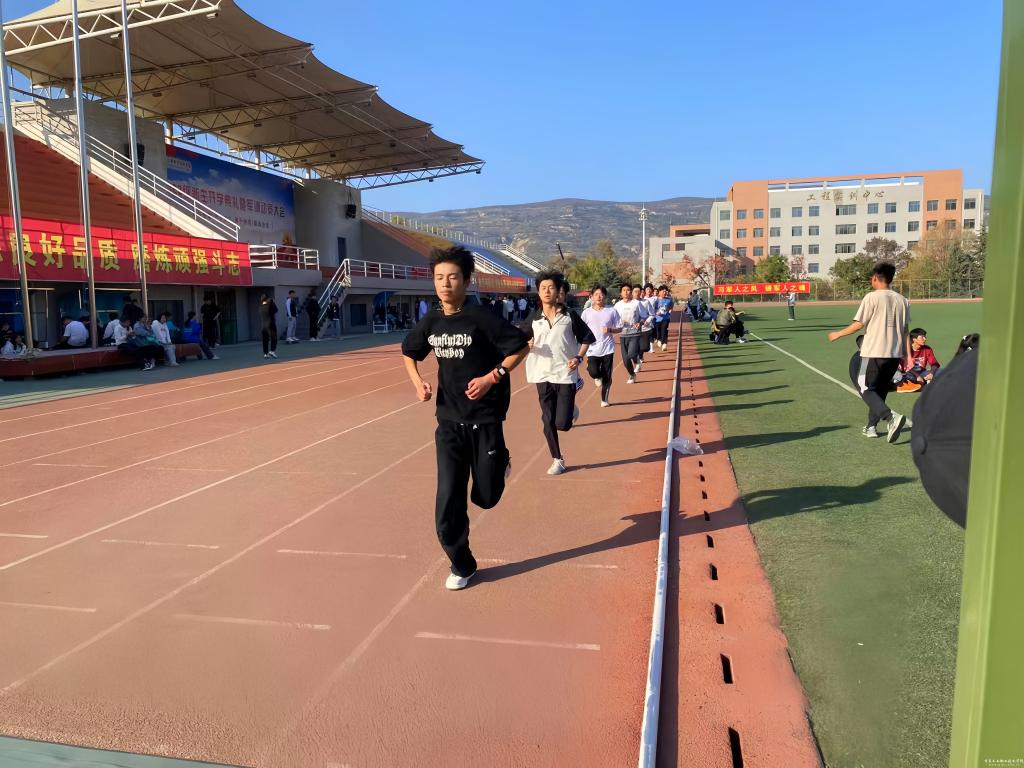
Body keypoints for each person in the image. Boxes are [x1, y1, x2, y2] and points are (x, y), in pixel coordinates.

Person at [401, 246, 530, 591]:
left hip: (485, 420)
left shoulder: (481, 317)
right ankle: (462, 564)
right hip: (448, 423)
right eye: (439, 278)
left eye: (453, 277)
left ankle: (500, 462)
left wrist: (492, 377)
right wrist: (417, 382)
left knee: (485, 497)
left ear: (467, 280)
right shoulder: (432, 321)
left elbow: (520, 346)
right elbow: (409, 352)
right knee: (448, 501)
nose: (445, 284)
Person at [828, 261, 911, 443]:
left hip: (874, 352)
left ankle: (891, 418)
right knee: (879, 390)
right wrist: (908, 356)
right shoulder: (903, 300)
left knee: (865, 388)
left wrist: (838, 334)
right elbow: (905, 330)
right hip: (894, 355)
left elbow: (859, 324)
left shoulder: (871, 297)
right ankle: (871, 427)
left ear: (875, 278)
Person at [521, 270, 595, 475]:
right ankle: (557, 459)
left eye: (551, 288)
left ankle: (571, 410)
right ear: (538, 292)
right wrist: (526, 344)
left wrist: (578, 357)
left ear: (558, 291)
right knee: (547, 420)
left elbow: (587, 338)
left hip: (565, 373)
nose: (547, 291)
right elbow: (518, 339)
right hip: (542, 373)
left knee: (563, 424)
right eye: (543, 288)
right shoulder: (533, 318)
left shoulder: (570, 316)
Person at [581, 285, 621, 407]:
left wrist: (610, 330)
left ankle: (604, 400)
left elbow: (620, 327)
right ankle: (596, 376)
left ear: (605, 296)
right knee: (593, 372)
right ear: (592, 297)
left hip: (608, 348)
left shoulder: (612, 311)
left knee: (607, 375)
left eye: (601, 294)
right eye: (596, 294)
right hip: (592, 349)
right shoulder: (586, 313)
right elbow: (581, 329)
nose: (599, 297)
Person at [613, 283, 647, 384]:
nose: (626, 292)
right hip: (623, 334)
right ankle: (632, 375)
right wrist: (619, 323)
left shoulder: (636, 303)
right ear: (621, 293)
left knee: (631, 354)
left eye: (628, 290)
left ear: (631, 292)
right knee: (625, 361)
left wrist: (640, 323)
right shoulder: (617, 305)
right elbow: (614, 319)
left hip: (634, 333)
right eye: (624, 290)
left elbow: (644, 316)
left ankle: (636, 359)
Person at [653, 285, 673, 351]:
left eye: (665, 291)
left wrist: (670, 310)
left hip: (666, 318)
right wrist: (656, 312)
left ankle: (664, 344)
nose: (664, 293)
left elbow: (671, 306)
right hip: (657, 318)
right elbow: (653, 308)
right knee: (658, 331)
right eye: (663, 291)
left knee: (664, 330)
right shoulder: (656, 300)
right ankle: (659, 339)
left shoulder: (669, 299)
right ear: (659, 292)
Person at [260, 293, 279, 359]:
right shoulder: (270, 305)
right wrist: (272, 302)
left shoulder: (261, 306)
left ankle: (265, 353)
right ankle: (272, 351)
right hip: (270, 324)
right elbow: (276, 310)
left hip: (263, 326)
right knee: (274, 338)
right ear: (268, 299)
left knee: (265, 340)